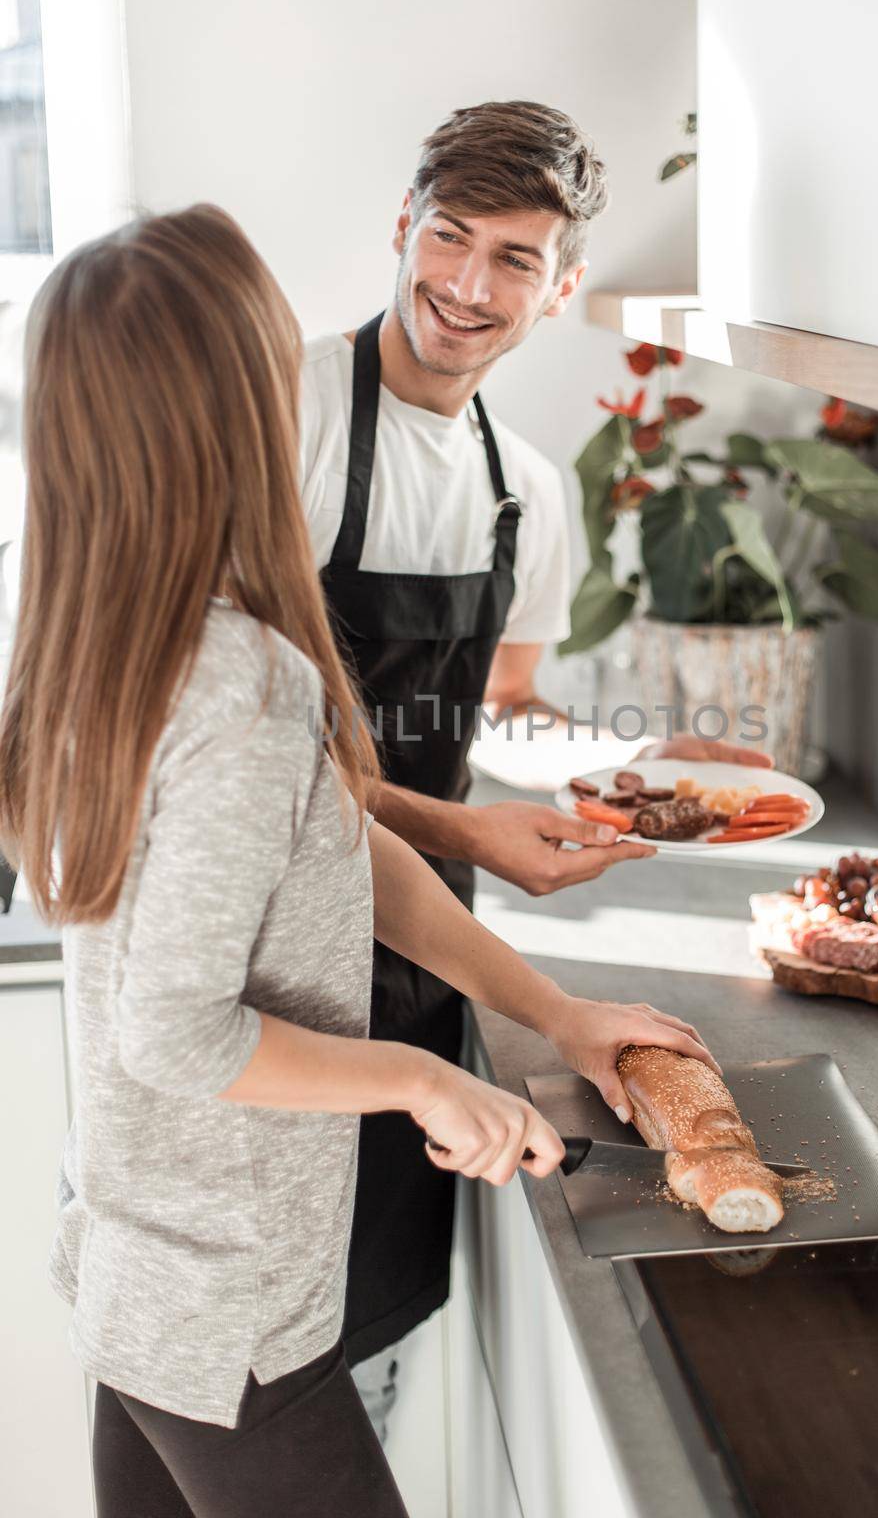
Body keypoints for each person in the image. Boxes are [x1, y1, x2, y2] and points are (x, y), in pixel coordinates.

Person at [0, 204, 718, 1517]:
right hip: (227, 1305)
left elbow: (344, 849)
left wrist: (551, 1013)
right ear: (231, 414)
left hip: (147, 1269)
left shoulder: (101, 639)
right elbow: (177, 1033)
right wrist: (420, 1084)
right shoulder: (242, 685)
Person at [299, 100, 770, 1421]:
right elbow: (253, 766)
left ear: (560, 289)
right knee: (245, 1346)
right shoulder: (283, 414)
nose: (466, 283)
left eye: (515, 258)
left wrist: (646, 759)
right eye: (450, 237)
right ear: (403, 229)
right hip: (271, 937)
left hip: (418, 952)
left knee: (367, 1343)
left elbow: (507, 713)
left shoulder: (532, 490)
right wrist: (465, 839)